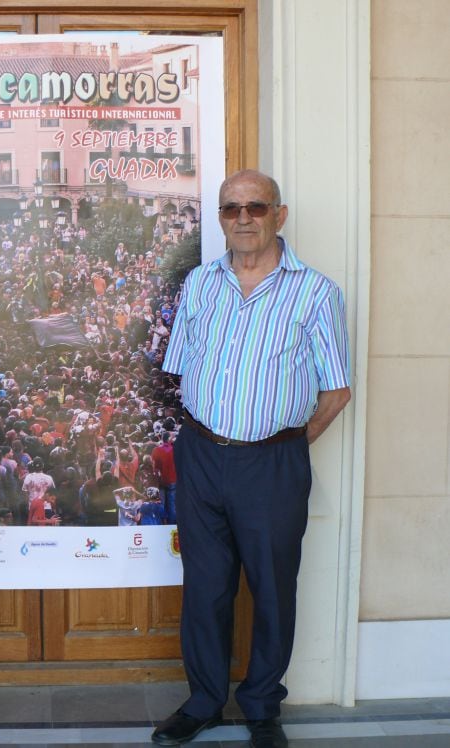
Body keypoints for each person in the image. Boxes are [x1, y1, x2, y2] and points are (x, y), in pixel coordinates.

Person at [152, 170, 351, 748]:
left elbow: (335, 391)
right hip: (201, 457)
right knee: (206, 587)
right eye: (230, 209)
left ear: (279, 215)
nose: (243, 218)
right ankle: (205, 702)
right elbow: (182, 368)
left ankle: (263, 705)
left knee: (272, 587)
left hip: (273, 465)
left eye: (255, 207)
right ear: (219, 218)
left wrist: (279, 447)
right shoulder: (199, 284)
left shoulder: (316, 292)